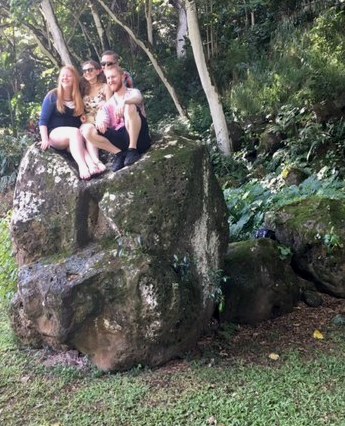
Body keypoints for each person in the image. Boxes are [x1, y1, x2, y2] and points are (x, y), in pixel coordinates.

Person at [38, 65, 95, 180]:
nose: (65, 78)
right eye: (63, 76)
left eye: (68, 75)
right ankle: (82, 167)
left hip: (73, 138)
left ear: (74, 78)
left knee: (80, 142)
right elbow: (43, 121)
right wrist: (44, 139)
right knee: (74, 132)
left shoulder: (78, 98)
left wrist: (83, 118)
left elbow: (81, 117)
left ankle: (93, 165)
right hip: (55, 135)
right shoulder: (52, 96)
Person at [94, 64, 151, 172]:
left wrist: (125, 102)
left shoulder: (133, 92)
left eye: (113, 77)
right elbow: (103, 119)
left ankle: (132, 149)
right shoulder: (108, 104)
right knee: (89, 131)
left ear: (122, 77)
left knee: (130, 106)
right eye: (108, 78)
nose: (110, 80)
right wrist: (100, 122)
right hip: (122, 140)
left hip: (140, 138)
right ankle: (120, 154)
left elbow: (138, 98)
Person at [79, 59, 113, 174]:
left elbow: (110, 105)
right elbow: (79, 107)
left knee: (90, 131)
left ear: (98, 71)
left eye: (90, 70)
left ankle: (96, 161)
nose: (87, 73)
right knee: (87, 130)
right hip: (88, 120)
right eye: (84, 71)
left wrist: (104, 107)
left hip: (102, 118)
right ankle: (95, 162)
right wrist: (82, 114)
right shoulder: (83, 89)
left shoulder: (105, 87)